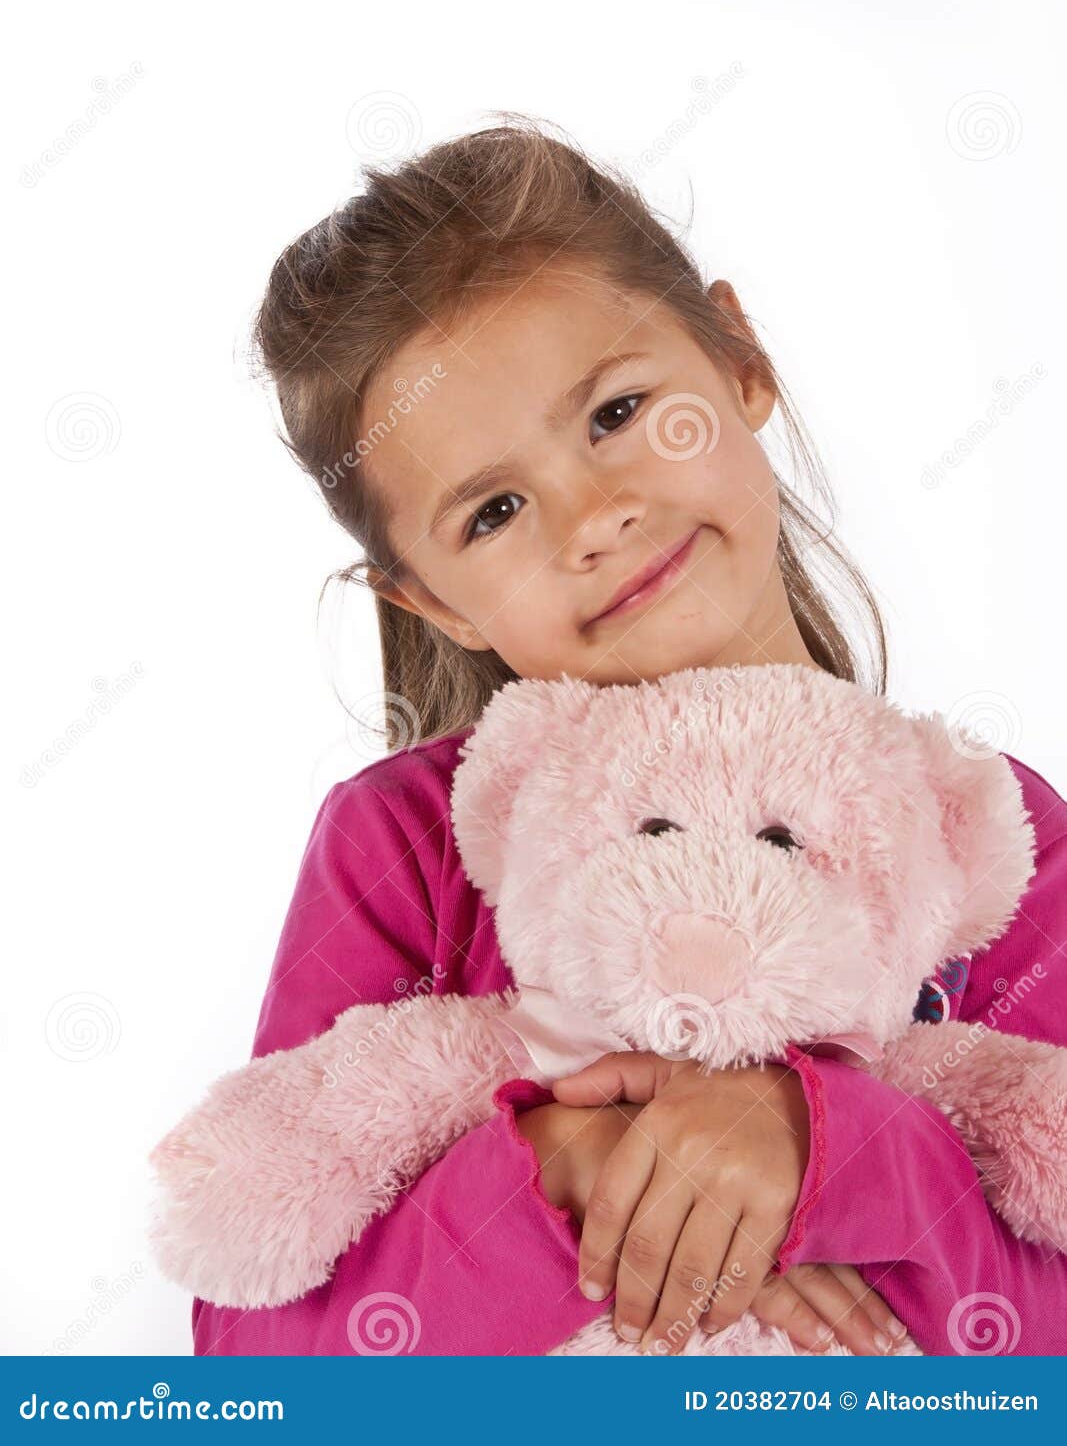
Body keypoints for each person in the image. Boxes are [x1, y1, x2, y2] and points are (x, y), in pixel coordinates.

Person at [190, 118, 1067, 1357]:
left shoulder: (983, 826)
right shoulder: (399, 843)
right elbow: (255, 1359)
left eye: (616, 412)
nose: (593, 516)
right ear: (433, 599)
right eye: (494, 510)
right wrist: (565, 1165)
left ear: (738, 358)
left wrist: (827, 1147)